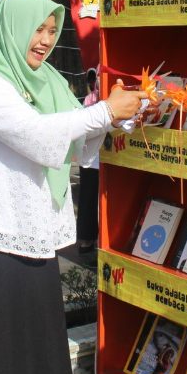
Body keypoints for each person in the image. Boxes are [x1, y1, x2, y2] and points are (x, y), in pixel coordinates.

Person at [0, 0, 147, 374]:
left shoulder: (47, 81)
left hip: (34, 236)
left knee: (37, 356)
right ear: (10, 29)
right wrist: (103, 113)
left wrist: (120, 116)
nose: (45, 40)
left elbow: (76, 137)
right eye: (36, 29)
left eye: (51, 30)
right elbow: (36, 135)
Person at [76, 67, 100, 253]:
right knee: (89, 199)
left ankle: (93, 239)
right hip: (92, 160)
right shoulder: (90, 100)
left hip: (97, 159)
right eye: (94, 78)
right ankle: (86, 239)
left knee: (94, 200)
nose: (95, 82)